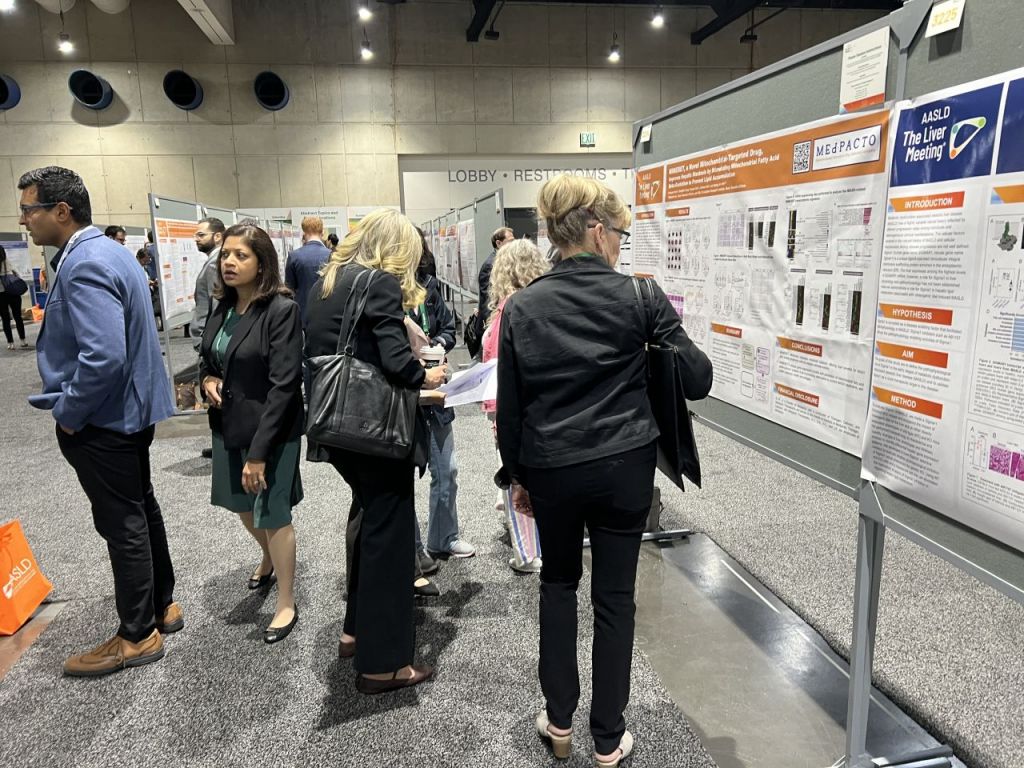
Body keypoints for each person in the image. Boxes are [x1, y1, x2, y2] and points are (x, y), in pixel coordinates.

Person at [496, 175, 713, 767]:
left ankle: (559, 721)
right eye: (619, 232)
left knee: (558, 585)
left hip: (552, 468)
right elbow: (699, 378)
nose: (620, 243)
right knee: (615, 599)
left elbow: (511, 409)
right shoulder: (641, 296)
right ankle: (609, 738)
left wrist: (517, 477)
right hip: (624, 467)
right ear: (596, 231)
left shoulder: (522, 306)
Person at [19, 166, 180, 677]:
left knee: (123, 522)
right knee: (140, 507)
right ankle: (161, 606)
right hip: (130, 412)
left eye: (29, 210)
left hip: (105, 418)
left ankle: (137, 635)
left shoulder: (85, 261)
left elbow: (104, 356)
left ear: (61, 211)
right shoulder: (110, 251)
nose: (23, 221)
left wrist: (69, 413)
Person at [305, 208, 447, 694]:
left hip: (337, 425)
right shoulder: (379, 283)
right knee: (388, 537)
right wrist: (426, 375)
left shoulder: (327, 283)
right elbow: (394, 359)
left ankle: (355, 632)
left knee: (370, 524)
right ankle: (384, 665)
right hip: (375, 431)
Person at [199, 224, 304, 644]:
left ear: (262, 263)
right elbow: (210, 357)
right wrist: (208, 379)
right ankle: (267, 557)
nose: (229, 262)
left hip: (271, 430)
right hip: (228, 424)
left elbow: (285, 385)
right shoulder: (223, 305)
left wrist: (259, 453)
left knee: (272, 512)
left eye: (240, 255)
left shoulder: (281, 309)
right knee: (242, 506)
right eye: (226, 254)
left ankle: (286, 600)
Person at [481, 238, 548, 573]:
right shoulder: (543, 304)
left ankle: (526, 554)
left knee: (516, 479)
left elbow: (497, 365)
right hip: (541, 407)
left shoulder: (506, 310)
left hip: (509, 407)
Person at [410, 232, 475, 564]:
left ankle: (443, 537)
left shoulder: (429, 286)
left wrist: (437, 345)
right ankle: (412, 549)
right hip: (404, 397)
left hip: (436, 393)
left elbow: (449, 328)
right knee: (400, 479)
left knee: (446, 469)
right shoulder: (383, 292)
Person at [191, 217, 225, 459]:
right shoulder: (212, 262)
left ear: (218, 236)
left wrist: (205, 342)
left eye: (201, 234)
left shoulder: (215, 264)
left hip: (210, 341)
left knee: (216, 393)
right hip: (208, 339)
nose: (196, 239)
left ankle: (223, 446)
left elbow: (216, 306)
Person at [472, 226, 514, 348]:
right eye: (510, 241)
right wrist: (490, 327)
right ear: (499, 243)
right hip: (492, 325)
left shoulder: (503, 261)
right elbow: (488, 298)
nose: (514, 244)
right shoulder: (491, 265)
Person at [285, 216, 331, 327]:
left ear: (303, 233)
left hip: (302, 316)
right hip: (328, 315)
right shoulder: (332, 256)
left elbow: (289, 290)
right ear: (322, 232)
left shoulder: (294, 256)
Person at [0, 244, 30, 350]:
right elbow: (18, 275)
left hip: (1, 295)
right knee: (18, 317)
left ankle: (10, 343)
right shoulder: (8, 263)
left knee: (5, 319)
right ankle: (23, 340)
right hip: (14, 293)